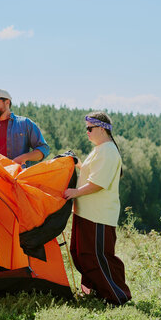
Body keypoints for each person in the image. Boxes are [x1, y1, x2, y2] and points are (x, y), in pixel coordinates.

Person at [63, 111, 131, 305]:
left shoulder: (108, 151)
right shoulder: (100, 149)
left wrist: (74, 193)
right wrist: (78, 164)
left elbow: (98, 183)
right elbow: (91, 173)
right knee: (80, 254)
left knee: (98, 257)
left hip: (98, 215)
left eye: (89, 128)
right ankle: (94, 292)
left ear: (102, 129)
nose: (87, 132)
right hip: (85, 212)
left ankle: (117, 296)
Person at [0, 89, 49, 167]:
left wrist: (24, 158)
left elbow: (44, 149)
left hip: (18, 177)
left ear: (7, 102)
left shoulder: (25, 123)